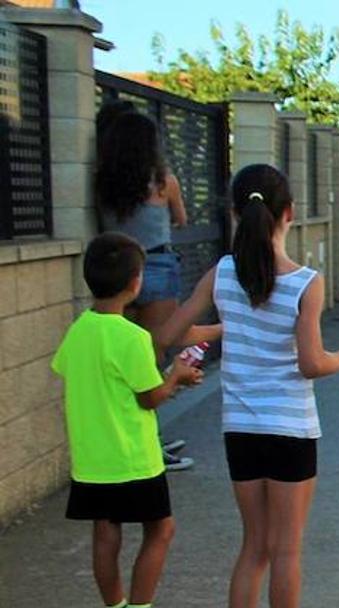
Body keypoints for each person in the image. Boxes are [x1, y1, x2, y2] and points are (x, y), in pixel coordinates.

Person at [158, 164, 339, 608]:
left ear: (237, 213)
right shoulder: (305, 282)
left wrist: (220, 327)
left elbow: (170, 334)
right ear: (288, 214)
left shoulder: (221, 274)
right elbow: (310, 364)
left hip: (240, 431)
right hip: (290, 431)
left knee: (253, 547)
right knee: (287, 550)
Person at [51, 233, 203, 608]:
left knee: (106, 531)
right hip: (133, 457)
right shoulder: (131, 337)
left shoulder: (79, 330)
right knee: (161, 529)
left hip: (91, 457)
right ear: (136, 282)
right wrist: (176, 375)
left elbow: (67, 369)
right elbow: (149, 396)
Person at [95, 108, 207, 472]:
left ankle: (134, 437)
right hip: (157, 266)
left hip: (114, 267)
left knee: (122, 360)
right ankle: (148, 443)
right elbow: (181, 219)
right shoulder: (164, 182)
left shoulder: (103, 182)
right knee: (151, 356)